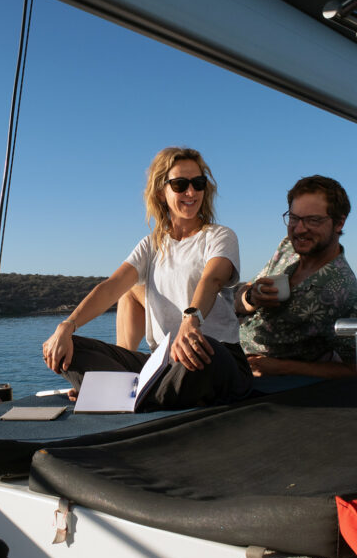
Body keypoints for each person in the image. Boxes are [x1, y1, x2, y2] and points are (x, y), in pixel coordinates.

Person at [42, 147, 252, 409]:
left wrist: (192, 320)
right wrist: (67, 326)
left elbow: (212, 280)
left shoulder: (219, 236)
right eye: (180, 184)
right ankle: (133, 394)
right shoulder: (151, 245)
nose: (191, 192)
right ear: (161, 193)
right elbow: (111, 288)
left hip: (215, 357)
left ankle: (114, 394)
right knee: (65, 348)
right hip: (163, 366)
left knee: (201, 350)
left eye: (198, 184)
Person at [235, 175, 357, 379]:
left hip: (260, 377)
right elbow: (240, 297)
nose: (298, 229)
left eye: (313, 220)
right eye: (294, 218)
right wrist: (252, 297)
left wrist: (280, 367)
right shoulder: (287, 247)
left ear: (339, 223)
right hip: (230, 344)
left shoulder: (343, 293)